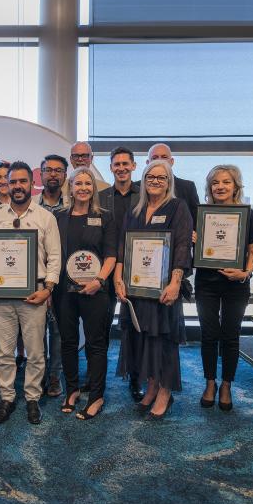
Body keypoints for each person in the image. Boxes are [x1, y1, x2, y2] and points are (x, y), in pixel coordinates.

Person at [0, 161, 61, 425]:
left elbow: (55, 257)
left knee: (35, 351)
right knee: (4, 351)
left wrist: (48, 289)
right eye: (13, 182)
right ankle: (7, 397)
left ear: (31, 183)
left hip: (33, 294)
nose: (17, 186)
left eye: (22, 181)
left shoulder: (45, 217)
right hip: (1, 294)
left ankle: (33, 398)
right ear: (7, 185)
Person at [114, 161, 192, 418]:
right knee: (143, 339)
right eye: (151, 176)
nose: (155, 181)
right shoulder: (135, 210)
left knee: (163, 341)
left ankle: (165, 392)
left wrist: (176, 281)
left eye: (161, 177)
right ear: (144, 180)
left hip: (163, 289)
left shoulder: (177, 207)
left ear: (169, 181)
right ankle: (151, 386)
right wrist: (118, 277)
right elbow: (123, 247)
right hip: (138, 288)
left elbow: (182, 245)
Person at [194, 165, 253, 411]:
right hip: (206, 283)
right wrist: (194, 239)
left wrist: (245, 273)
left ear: (236, 186)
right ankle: (210, 382)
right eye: (215, 183)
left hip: (236, 283)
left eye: (226, 182)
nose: (220, 186)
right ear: (210, 187)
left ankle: (226, 385)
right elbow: (195, 249)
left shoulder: (248, 214)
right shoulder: (202, 214)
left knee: (231, 336)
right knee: (209, 334)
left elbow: (252, 251)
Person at [54, 167, 116, 420]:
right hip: (63, 291)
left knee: (96, 343)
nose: (82, 188)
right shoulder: (57, 217)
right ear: (70, 187)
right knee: (68, 342)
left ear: (94, 188)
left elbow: (111, 255)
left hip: (95, 290)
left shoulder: (106, 217)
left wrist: (100, 281)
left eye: (87, 184)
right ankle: (72, 389)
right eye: (78, 183)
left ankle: (97, 396)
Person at [99, 147, 142, 401]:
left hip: (137, 270)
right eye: (117, 164)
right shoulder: (101, 197)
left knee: (133, 327)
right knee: (100, 327)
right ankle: (98, 378)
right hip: (105, 269)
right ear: (111, 167)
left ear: (134, 166)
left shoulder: (145, 195)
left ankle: (135, 378)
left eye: (126, 163)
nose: (121, 168)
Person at [32, 154, 70, 397]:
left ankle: (55, 375)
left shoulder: (73, 204)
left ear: (65, 175)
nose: (53, 174)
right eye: (48, 170)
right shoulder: (32, 207)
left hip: (66, 277)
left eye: (58, 170)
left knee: (58, 330)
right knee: (36, 329)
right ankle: (39, 373)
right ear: (41, 174)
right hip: (35, 276)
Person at [146, 143, 199, 227]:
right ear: (148, 162)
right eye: (155, 158)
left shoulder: (187, 187)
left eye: (164, 157)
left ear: (172, 161)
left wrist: (197, 234)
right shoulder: (137, 187)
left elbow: (197, 220)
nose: (160, 160)